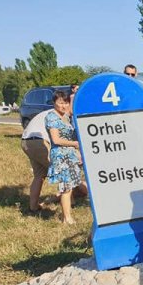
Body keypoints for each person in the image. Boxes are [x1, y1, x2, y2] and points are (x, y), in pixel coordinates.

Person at [45, 90, 87, 224]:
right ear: (54, 103)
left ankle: (67, 215)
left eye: (66, 103)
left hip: (70, 155)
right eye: (60, 103)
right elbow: (56, 140)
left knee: (70, 187)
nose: (63, 106)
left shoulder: (65, 116)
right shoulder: (52, 117)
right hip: (61, 156)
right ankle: (66, 218)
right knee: (65, 187)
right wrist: (75, 143)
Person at [21, 107, 54, 211]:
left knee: (39, 175)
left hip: (26, 140)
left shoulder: (49, 112)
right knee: (62, 172)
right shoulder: (60, 115)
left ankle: (33, 207)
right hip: (40, 141)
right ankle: (69, 203)